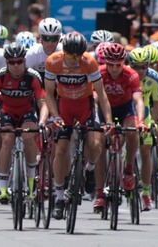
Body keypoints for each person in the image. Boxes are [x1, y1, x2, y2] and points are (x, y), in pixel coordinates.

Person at [43, 31, 112, 220]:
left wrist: (109, 120)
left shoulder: (89, 62)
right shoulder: (53, 61)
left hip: (85, 105)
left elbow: (102, 94)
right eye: (71, 56)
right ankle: (58, 198)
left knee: (95, 144)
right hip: (64, 105)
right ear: (64, 51)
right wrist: (55, 117)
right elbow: (48, 94)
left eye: (78, 56)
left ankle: (89, 170)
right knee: (61, 150)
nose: (75, 60)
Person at [0, 42, 48, 204]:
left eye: (19, 62)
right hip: (6, 113)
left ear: (25, 62)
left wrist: (42, 122)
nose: (16, 66)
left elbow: (43, 103)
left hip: (27, 113)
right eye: (12, 62)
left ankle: (31, 182)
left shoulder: (33, 76)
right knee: (7, 140)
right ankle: (3, 188)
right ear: (6, 63)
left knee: (29, 138)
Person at [92, 42, 145, 212]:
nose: (114, 69)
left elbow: (138, 100)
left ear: (124, 63)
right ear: (105, 63)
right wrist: (94, 119)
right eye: (110, 65)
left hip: (124, 109)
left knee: (132, 132)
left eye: (118, 65)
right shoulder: (98, 73)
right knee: (99, 145)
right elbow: (93, 97)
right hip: (103, 108)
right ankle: (99, 193)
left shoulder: (131, 74)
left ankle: (128, 169)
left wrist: (141, 121)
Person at [128, 46, 158, 211]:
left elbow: (156, 104)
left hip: (145, 114)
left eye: (144, 66)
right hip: (127, 111)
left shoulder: (154, 78)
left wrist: (153, 122)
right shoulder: (126, 75)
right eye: (136, 66)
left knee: (145, 150)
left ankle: (146, 193)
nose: (140, 70)